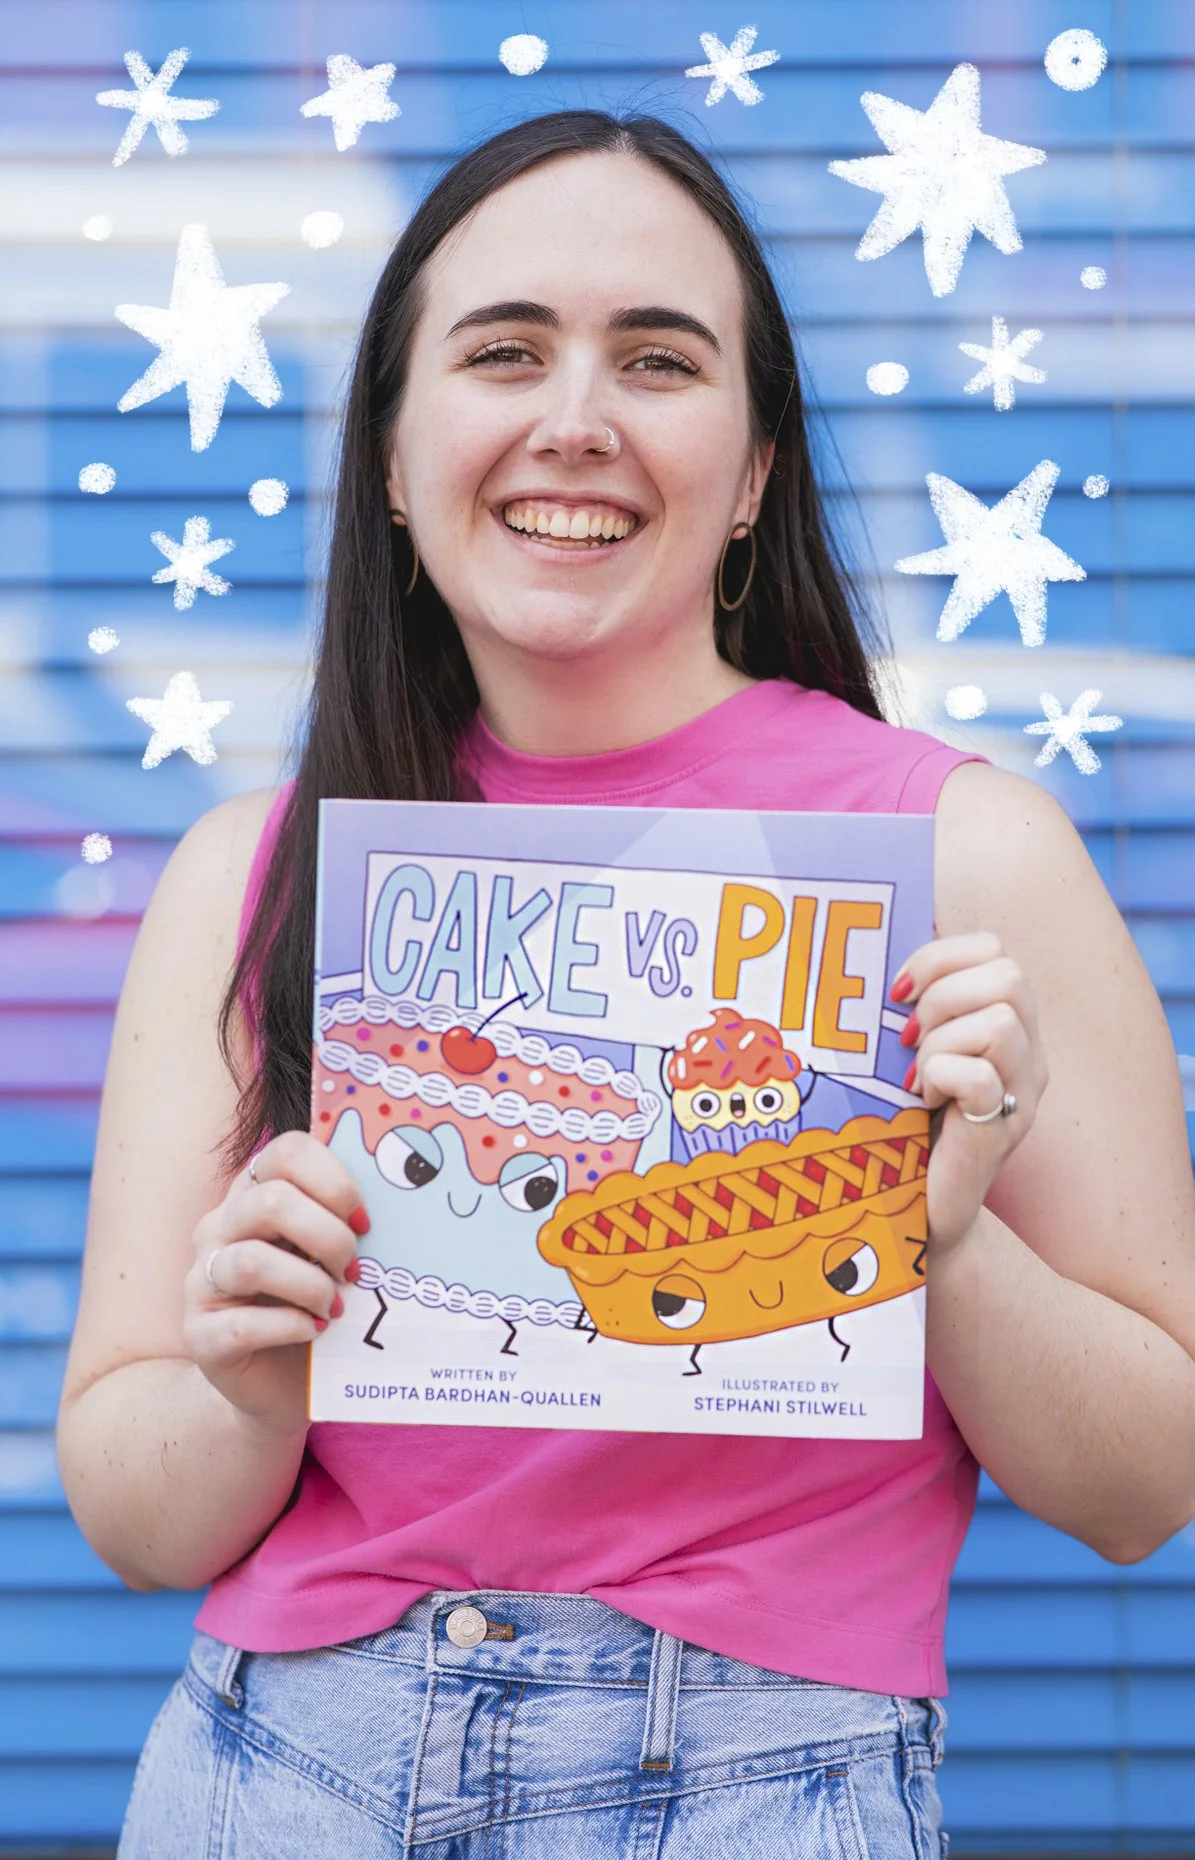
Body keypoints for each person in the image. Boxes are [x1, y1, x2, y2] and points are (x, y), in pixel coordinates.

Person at [59, 111, 1195, 1859]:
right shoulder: (251, 874)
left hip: (763, 1780)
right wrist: (245, 1378)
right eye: (503, 349)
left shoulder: (964, 856)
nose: (572, 418)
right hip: (280, 1769)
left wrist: (934, 1235)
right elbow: (140, 1522)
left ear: (750, 470)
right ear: (388, 447)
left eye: (656, 360)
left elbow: (1142, 1491)